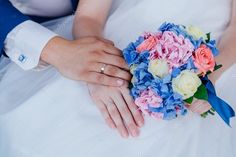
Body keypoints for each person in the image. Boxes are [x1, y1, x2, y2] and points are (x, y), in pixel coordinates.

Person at [0, 0, 235, 156]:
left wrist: (210, 79)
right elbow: (89, 18)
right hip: (122, 40)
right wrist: (98, 70)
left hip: (213, 57)